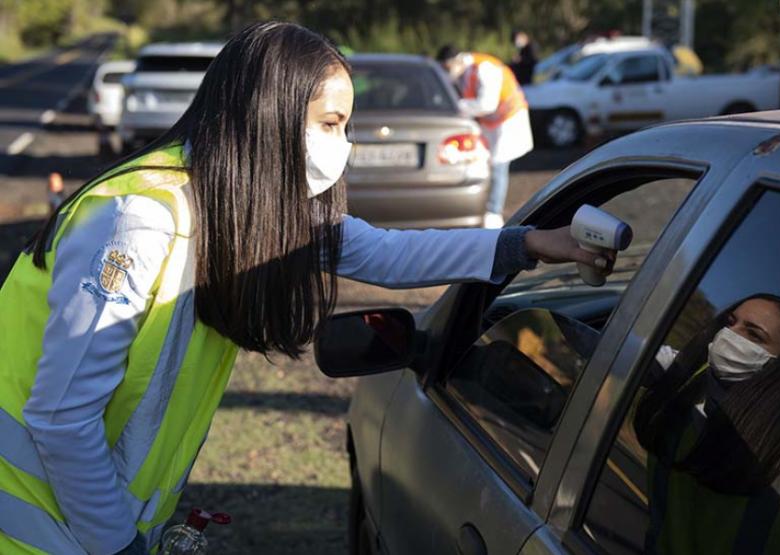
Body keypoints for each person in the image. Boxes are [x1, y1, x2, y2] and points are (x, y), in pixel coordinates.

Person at [0, 22, 615, 555]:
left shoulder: (246, 206)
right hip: (36, 525)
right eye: (329, 123)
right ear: (268, 114)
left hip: (87, 525)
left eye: (345, 126)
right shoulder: (137, 221)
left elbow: (386, 252)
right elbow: (60, 419)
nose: (341, 146)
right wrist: (116, 545)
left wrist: (529, 244)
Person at [634, 294, 780, 554]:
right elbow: (615, 347)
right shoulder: (687, 378)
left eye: (754, 334)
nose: (728, 334)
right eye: (731, 322)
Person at [436, 45, 534, 229]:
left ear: (457, 60)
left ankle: (494, 213)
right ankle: (486, 207)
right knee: (486, 163)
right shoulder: (464, 72)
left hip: (508, 119)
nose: (447, 73)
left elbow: (487, 104)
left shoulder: (484, 68)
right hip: (491, 123)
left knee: (498, 165)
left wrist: (457, 106)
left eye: (447, 68)